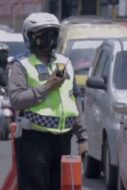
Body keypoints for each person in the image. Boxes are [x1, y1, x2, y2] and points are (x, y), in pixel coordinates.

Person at [8, 12, 88, 190]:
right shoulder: (21, 65)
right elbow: (16, 100)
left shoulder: (64, 62)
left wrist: (82, 137)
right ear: (30, 37)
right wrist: (46, 87)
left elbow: (75, 98)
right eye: (42, 35)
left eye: (52, 34)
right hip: (34, 140)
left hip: (62, 140)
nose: (48, 40)